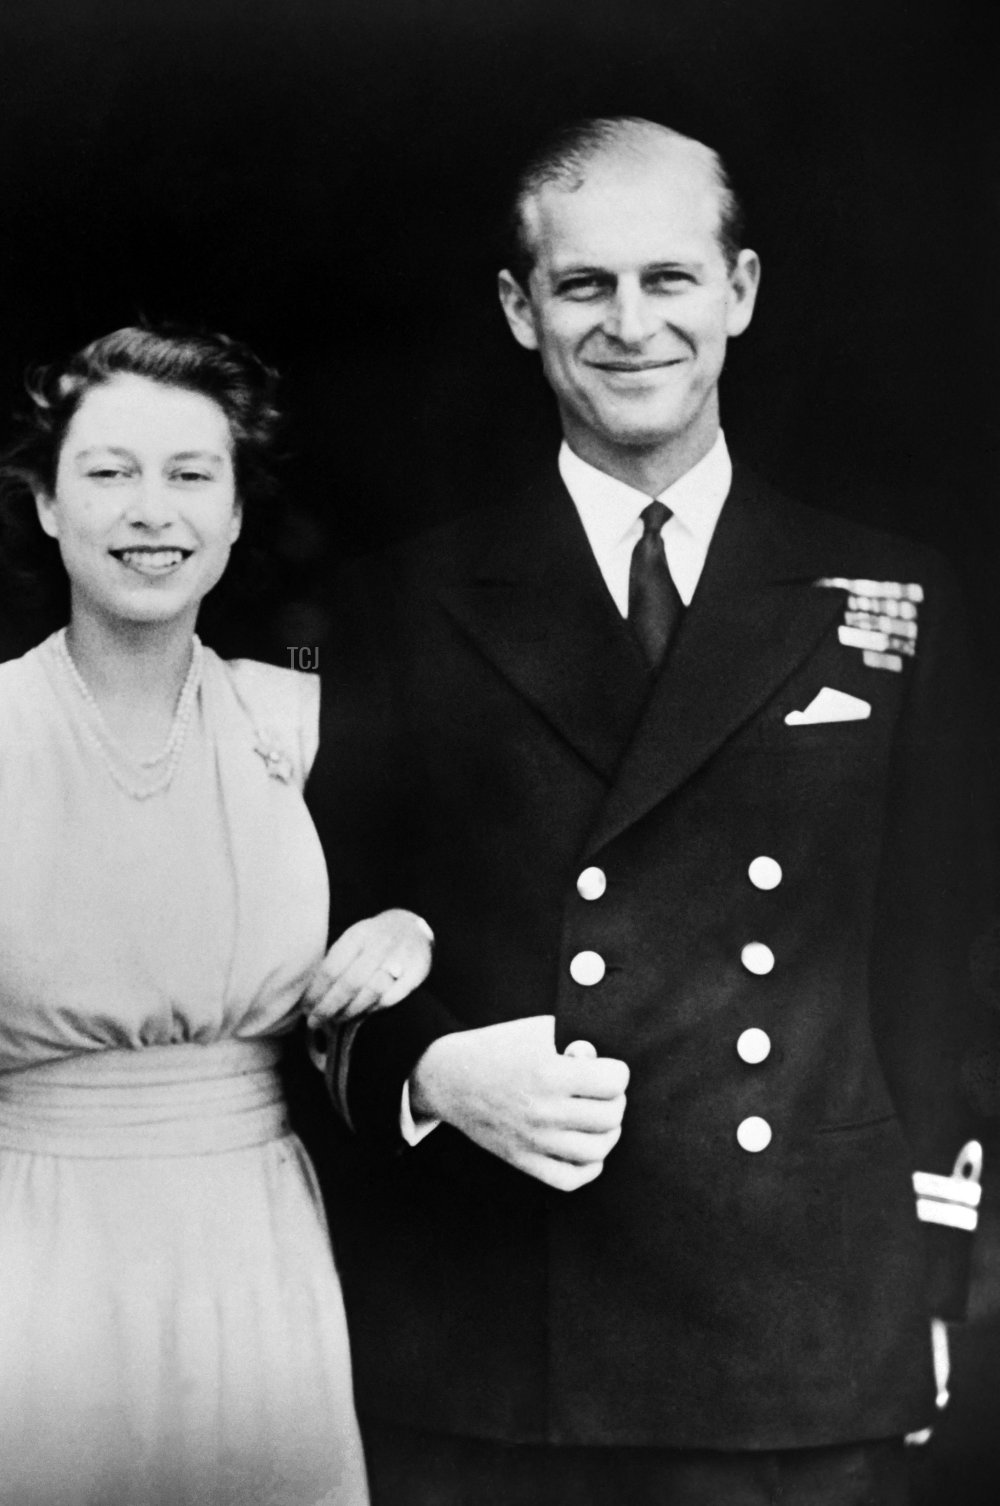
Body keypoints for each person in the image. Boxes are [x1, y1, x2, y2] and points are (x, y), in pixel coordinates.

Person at [304, 118, 993, 1504]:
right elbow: (303, 934)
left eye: (669, 280)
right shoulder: (403, 605)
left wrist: (927, 1279)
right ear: (519, 309)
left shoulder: (892, 597)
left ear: (739, 292)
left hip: (795, 1328)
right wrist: (427, 1077)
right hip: (500, 1329)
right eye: (584, 286)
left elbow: (943, 970)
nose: (631, 325)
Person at [0, 325, 435, 1506]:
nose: (156, 511)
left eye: (193, 475)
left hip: (260, 1262)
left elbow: (440, 897)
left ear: (239, 513)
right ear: (45, 503)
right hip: (17, 1272)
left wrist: (407, 928)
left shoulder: (299, 724)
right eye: (109, 472)